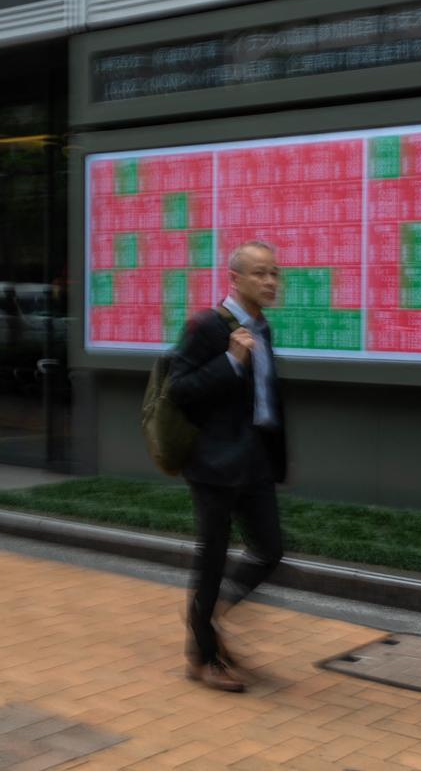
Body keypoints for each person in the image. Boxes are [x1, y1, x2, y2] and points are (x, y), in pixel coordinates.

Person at [168, 240, 287, 692]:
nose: (271, 281)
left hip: (254, 459)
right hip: (214, 463)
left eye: (275, 273)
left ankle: (209, 613)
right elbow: (180, 390)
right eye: (260, 273)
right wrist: (229, 361)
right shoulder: (207, 326)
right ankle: (204, 657)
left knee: (270, 548)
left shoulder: (262, 327)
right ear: (234, 279)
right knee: (212, 559)